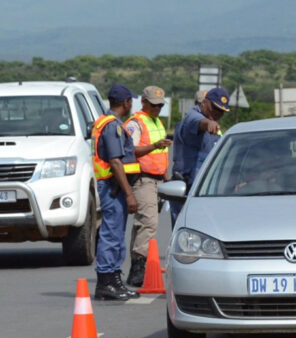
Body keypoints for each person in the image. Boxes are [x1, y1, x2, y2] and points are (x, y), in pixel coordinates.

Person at [91, 84, 141, 301]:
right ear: (126, 102)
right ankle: (106, 282)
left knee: (115, 235)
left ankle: (114, 280)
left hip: (114, 186)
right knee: (111, 235)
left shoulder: (108, 122)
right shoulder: (113, 127)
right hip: (114, 187)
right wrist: (129, 194)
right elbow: (115, 162)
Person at [123, 86, 172, 287]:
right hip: (143, 179)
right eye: (153, 105)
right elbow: (130, 150)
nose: (157, 108)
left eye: (160, 105)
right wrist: (155, 146)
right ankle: (138, 268)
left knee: (144, 224)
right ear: (143, 102)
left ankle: (138, 266)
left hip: (158, 179)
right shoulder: (136, 123)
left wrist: (166, 174)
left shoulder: (157, 121)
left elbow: (161, 154)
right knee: (149, 223)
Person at [170, 87, 229, 224]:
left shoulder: (215, 127)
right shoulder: (192, 116)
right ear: (205, 102)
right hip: (187, 190)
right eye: (215, 108)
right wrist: (209, 123)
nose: (218, 114)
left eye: (222, 111)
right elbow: (198, 122)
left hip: (205, 190)